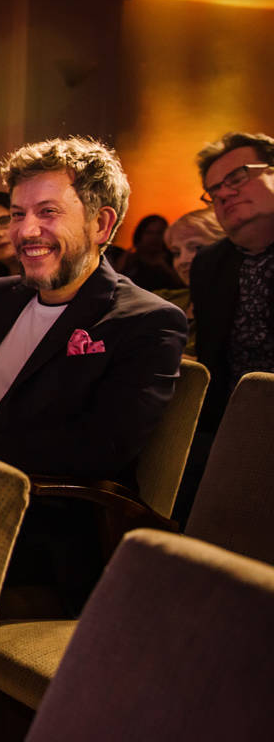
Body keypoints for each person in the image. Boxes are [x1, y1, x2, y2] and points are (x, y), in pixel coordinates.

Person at [0, 136, 187, 611]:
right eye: (17, 214)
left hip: (35, 520)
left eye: (47, 212)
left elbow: (99, 449)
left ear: (101, 223)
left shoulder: (147, 322)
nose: (26, 231)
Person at [173, 131, 274, 524]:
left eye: (237, 178)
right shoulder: (210, 264)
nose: (224, 194)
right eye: (214, 190)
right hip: (231, 425)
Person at [152, 208, 226, 358]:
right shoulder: (161, 300)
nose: (183, 261)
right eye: (176, 253)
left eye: (196, 248)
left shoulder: (244, 309)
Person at [117, 214, 182, 292]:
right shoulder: (129, 258)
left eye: (159, 233)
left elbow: (182, 284)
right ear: (140, 234)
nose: (154, 237)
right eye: (149, 232)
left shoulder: (174, 257)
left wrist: (165, 266)